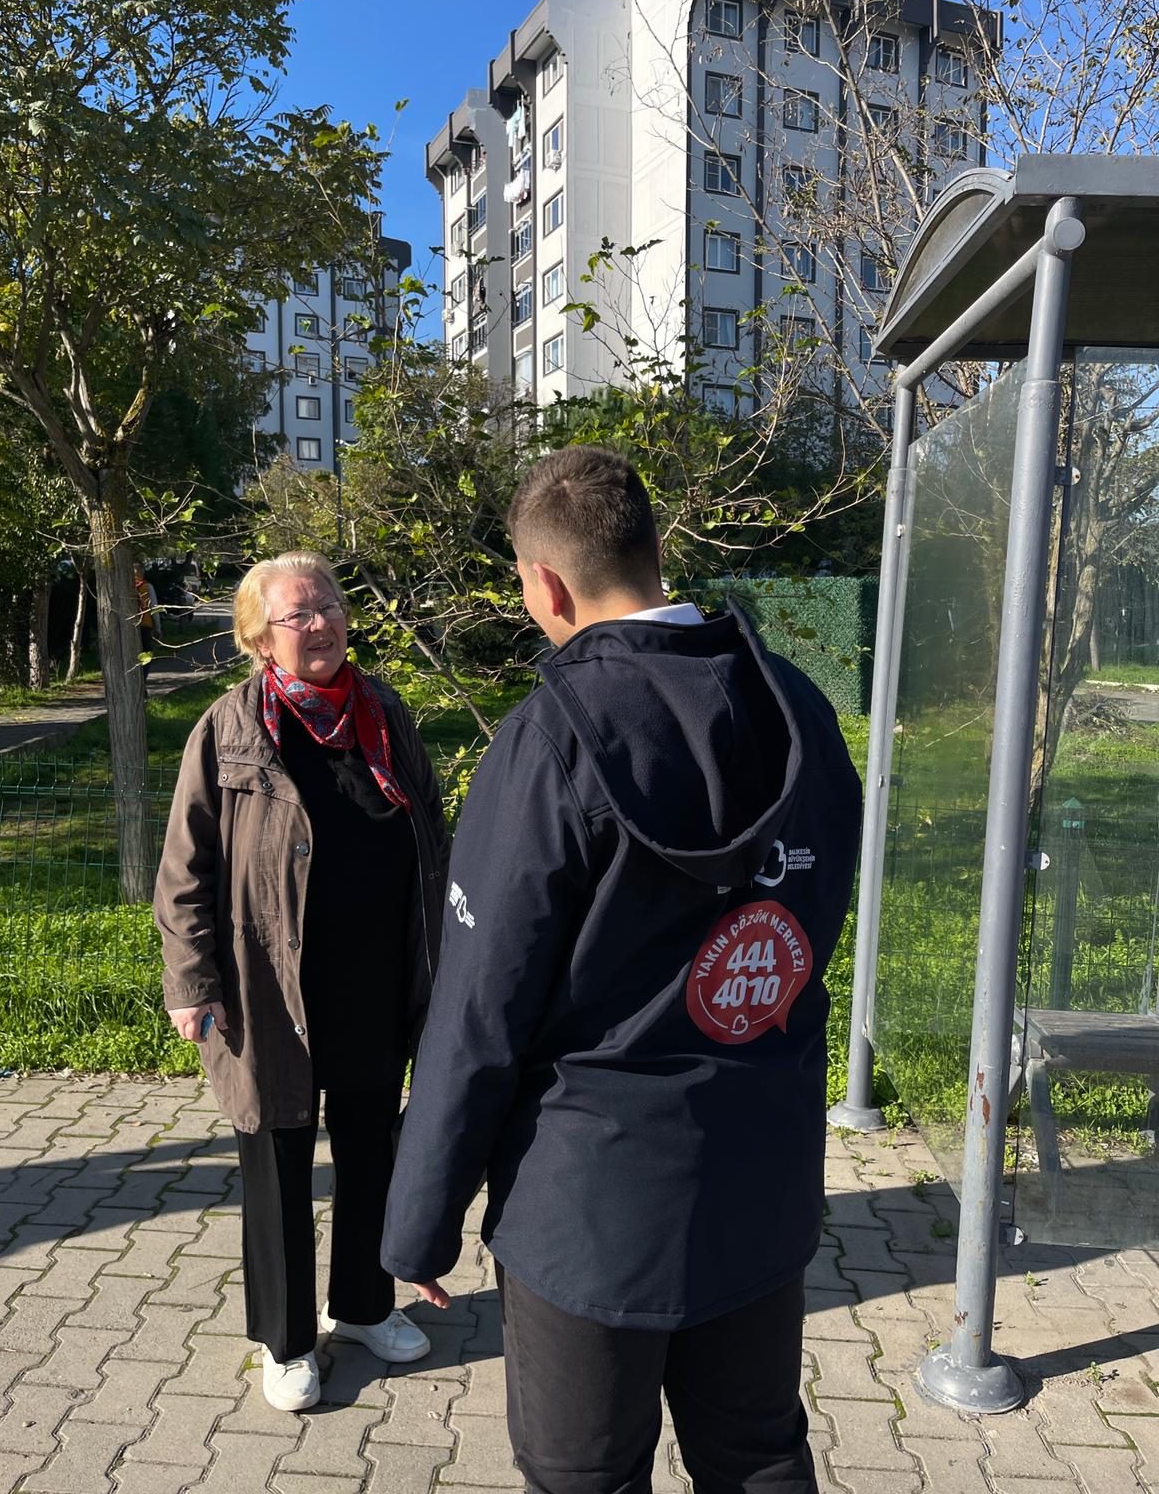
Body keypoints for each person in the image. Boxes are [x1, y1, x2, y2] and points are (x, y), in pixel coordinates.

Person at [382, 449, 862, 1493]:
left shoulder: (548, 741)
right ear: (656, 551)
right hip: (758, 1182)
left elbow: (479, 1012)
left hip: (588, 1215)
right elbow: (813, 922)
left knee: (585, 1476)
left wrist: (420, 1219)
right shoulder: (797, 712)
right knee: (761, 1457)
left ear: (544, 586)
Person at [155, 551, 448, 1414]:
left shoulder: (384, 713)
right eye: (297, 614)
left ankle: (361, 1307)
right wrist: (190, 980)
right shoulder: (229, 728)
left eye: (328, 606)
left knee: (373, 1147)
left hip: (375, 973)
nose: (319, 624)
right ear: (259, 636)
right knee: (276, 1152)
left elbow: (428, 826)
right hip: (268, 981)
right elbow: (184, 868)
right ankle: (284, 1340)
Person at [135, 564, 159, 680]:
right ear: (143, 572)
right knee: (146, 655)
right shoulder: (147, 587)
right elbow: (154, 608)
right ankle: (142, 681)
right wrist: (158, 628)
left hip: (129, 627)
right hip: (145, 625)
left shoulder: (125, 587)